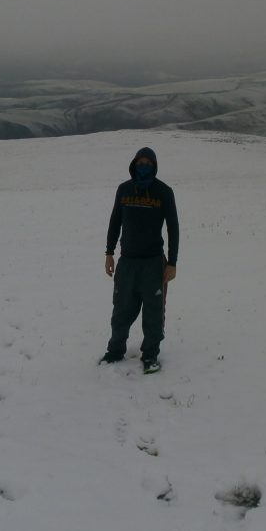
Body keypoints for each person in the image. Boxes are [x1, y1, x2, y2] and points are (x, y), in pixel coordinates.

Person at [100, 146, 179, 373]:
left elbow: (173, 228)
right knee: (121, 310)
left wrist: (172, 263)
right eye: (140, 162)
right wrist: (109, 253)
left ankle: (150, 356)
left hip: (154, 264)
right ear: (134, 164)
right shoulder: (124, 190)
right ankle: (115, 351)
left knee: (154, 313)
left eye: (148, 163)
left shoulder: (164, 192)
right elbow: (115, 222)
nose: (143, 166)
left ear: (154, 166)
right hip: (127, 263)